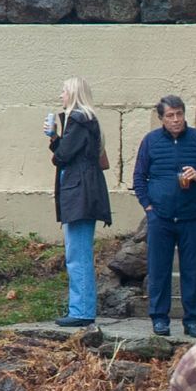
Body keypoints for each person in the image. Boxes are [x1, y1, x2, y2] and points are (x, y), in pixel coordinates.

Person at [131, 95, 196, 338]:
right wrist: (148, 207)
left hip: (192, 217)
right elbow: (139, 178)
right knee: (159, 270)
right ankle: (159, 319)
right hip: (161, 217)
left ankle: (192, 321)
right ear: (161, 118)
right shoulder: (150, 141)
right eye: (170, 115)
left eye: (179, 114)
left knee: (192, 270)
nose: (176, 119)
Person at [47, 77, 110, 329]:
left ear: (72, 93)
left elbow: (63, 155)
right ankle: (81, 307)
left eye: (63, 91)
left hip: (80, 193)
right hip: (84, 191)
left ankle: (81, 310)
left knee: (77, 253)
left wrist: (53, 137)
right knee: (78, 251)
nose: (61, 94)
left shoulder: (78, 119)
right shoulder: (88, 119)